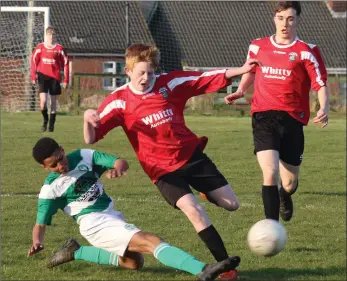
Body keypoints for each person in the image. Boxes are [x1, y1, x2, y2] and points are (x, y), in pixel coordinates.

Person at [83, 43, 257, 280]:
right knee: (193, 210)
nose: (146, 78)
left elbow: (203, 78)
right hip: (162, 170)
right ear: (128, 71)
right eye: (140, 72)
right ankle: (226, 268)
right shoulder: (119, 101)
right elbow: (90, 138)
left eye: (150, 72)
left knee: (232, 205)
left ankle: (207, 193)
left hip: (191, 157)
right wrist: (87, 119)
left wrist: (241, 69)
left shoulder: (169, 84)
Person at [27, 137, 240, 281]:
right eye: (53, 165)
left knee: (133, 262)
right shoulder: (50, 189)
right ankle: (202, 270)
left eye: (60, 159)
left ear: (62, 151)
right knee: (151, 241)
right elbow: (40, 224)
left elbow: (121, 162)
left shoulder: (83, 156)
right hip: (93, 224)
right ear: (45, 168)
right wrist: (38, 241)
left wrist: (117, 168)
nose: (60, 166)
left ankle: (77, 251)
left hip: (111, 215)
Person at [224, 1, 329, 222]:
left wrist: (324, 107)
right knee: (269, 172)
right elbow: (250, 71)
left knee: (289, 183)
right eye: (281, 18)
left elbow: (320, 83)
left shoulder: (307, 51)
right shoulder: (257, 46)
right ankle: (271, 226)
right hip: (264, 116)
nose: (285, 24)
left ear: (297, 20)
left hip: (292, 119)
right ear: (274, 19)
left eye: (290, 19)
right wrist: (240, 90)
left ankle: (284, 194)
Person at [31, 26, 69, 132]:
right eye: (49, 34)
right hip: (42, 76)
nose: (51, 36)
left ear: (55, 36)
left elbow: (66, 64)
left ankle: (51, 125)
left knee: (53, 102)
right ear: (46, 35)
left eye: (53, 34)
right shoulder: (40, 48)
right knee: (42, 102)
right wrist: (33, 76)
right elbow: (33, 61)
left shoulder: (59, 49)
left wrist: (66, 80)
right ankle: (45, 121)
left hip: (55, 77)